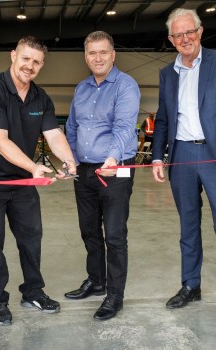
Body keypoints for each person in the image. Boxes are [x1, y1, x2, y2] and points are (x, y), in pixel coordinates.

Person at [151, 8, 216, 334]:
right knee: (188, 226)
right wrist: (158, 157)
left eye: (190, 32)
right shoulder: (167, 73)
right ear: (171, 39)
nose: (185, 39)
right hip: (182, 156)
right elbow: (164, 119)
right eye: (178, 35)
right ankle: (190, 285)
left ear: (200, 31)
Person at [0, 36, 77, 326]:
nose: (30, 66)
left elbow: (53, 134)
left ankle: (32, 291)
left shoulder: (41, 98)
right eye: (25, 58)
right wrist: (34, 167)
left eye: (37, 62)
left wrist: (69, 161)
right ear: (13, 55)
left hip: (23, 182)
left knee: (31, 238)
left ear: (42, 65)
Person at [64, 31, 141, 321]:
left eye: (103, 52)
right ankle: (96, 281)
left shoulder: (125, 86)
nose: (97, 58)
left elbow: (123, 127)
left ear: (113, 54)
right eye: (92, 53)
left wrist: (112, 157)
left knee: (115, 235)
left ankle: (114, 295)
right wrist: (70, 158)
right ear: (86, 56)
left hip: (115, 170)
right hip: (83, 170)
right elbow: (72, 126)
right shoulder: (81, 88)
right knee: (89, 230)